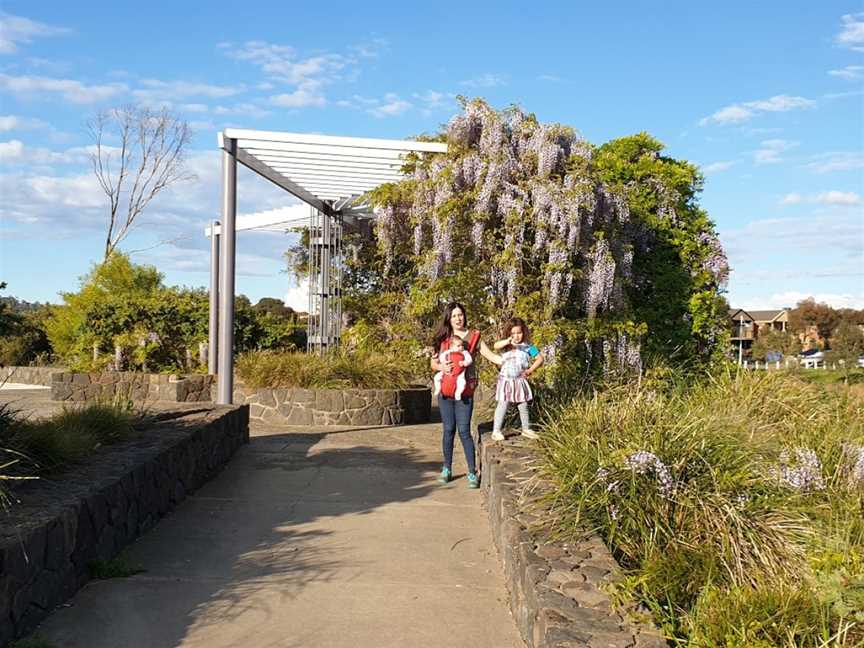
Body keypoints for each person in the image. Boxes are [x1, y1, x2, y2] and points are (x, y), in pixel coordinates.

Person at [430, 302, 492, 489]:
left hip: (464, 392)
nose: (458, 318)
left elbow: (490, 355)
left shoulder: (474, 337)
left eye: (461, 315)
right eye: (454, 315)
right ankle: (447, 468)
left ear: (465, 316)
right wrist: (442, 367)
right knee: (448, 429)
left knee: (464, 430)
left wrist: (510, 360)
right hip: (446, 392)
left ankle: (472, 471)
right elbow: (433, 363)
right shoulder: (442, 338)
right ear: (449, 318)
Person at [485, 317, 545, 441]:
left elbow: (540, 358)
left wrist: (529, 370)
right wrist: (507, 341)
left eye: (519, 333)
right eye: (513, 333)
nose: (516, 336)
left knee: (522, 404)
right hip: (506, 380)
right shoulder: (506, 345)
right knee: (503, 403)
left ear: (524, 332)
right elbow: (496, 346)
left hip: (519, 380)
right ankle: (496, 431)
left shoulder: (528, 346)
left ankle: (526, 428)